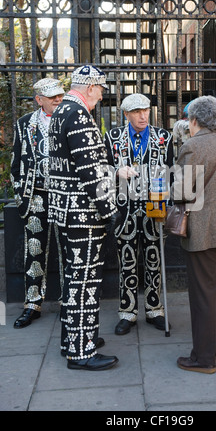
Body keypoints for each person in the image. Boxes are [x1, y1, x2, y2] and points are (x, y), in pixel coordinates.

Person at [48, 65, 119, 371]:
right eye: (101, 89)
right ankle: (81, 351)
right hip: (83, 216)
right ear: (90, 86)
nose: (102, 95)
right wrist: (111, 211)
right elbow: (91, 172)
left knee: (73, 278)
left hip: (65, 212)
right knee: (85, 280)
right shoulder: (78, 115)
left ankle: (72, 338)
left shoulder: (60, 112)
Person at [173, 95, 216, 374]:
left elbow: (181, 192)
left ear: (195, 120)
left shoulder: (191, 146)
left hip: (202, 230)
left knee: (203, 294)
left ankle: (203, 359)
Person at [104, 93, 174, 335]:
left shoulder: (164, 137)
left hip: (155, 207)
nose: (143, 115)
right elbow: (100, 169)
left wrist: (168, 203)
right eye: (136, 111)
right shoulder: (112, 137)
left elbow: (173, 173)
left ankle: (155, 309)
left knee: (155, 259)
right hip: (125, 209)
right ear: (126, 114)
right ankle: (128, 312)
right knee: (127, 261)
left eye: (145, 109)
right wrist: (115, 171)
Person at [11, 78, 65, 329]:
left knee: (68, 250)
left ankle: (69, 303)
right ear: (38, 99)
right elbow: (15, 162)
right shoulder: (24, 124)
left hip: (66, 196)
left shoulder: (69, 118)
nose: (57, 99)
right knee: (34, 251)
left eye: (59, 94)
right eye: (52, 96)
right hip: (37, 196)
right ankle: (32, 304)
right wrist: (22, 198)